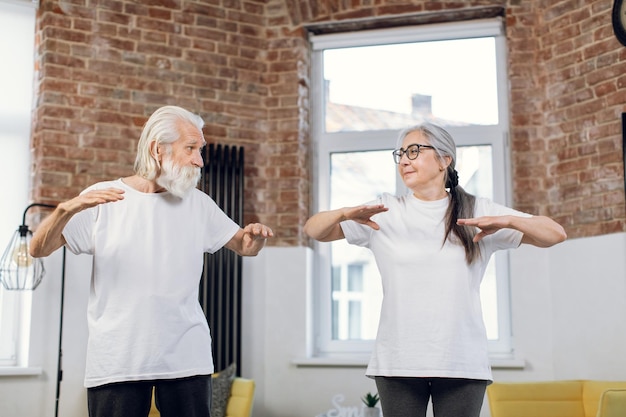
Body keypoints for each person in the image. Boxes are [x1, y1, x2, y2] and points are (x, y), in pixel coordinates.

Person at [303, 123, 567, 417]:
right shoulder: (384, 211)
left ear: (444, 160)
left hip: (461, 360)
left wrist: (510, 221)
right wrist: (342, 213)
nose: (404, 160)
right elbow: (315, 230)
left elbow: (555, 234)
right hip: (398, 361)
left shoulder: (477, 210)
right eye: (400, 153)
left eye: (414, 151)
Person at [30, 105, 274, 417]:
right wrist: (67, 209)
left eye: (201, 150)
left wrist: (255, 236)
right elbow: (39, 249)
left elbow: (245, 246)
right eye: (191, 149)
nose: (199, 161)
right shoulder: (103, 198)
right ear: (157, 149)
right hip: (119, 358)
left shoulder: (199, 204)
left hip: (187, 356)